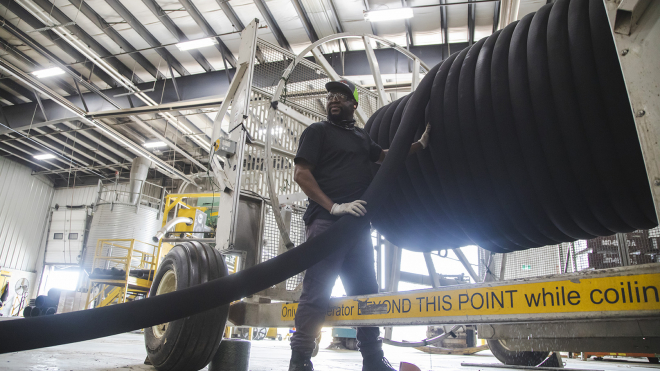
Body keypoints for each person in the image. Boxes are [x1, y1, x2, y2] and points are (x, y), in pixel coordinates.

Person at [289, 80, 431, 371]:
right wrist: (333, 206)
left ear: (354, 104)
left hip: (357, 229)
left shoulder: (361, 138)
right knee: (317, 293)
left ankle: (373, 360)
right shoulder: (317, 132)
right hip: (327, 225)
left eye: (341, 96)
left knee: (367, 294)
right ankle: (300, 360)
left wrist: (419, 145)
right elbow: (301, 174)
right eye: (330, 96)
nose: (333, 100)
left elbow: (386, 158)